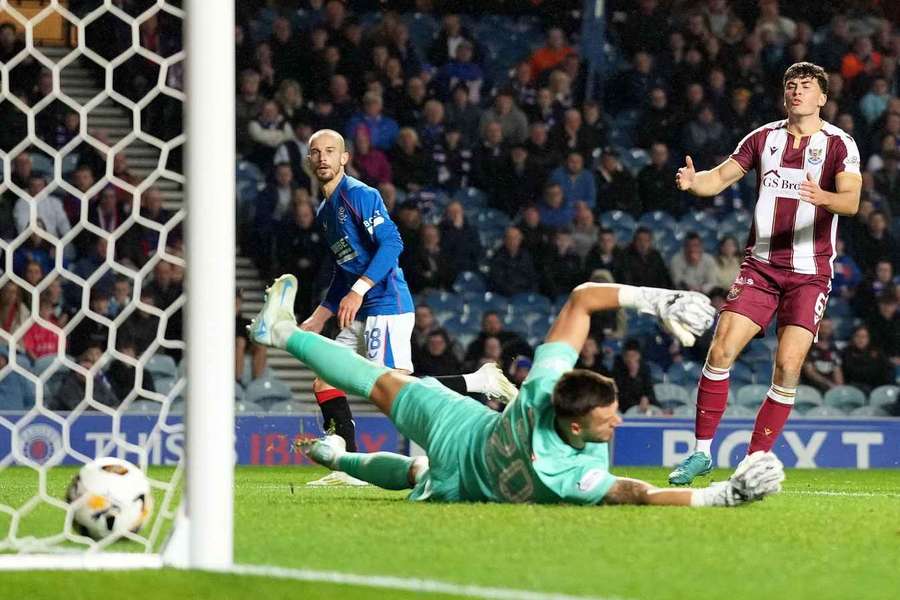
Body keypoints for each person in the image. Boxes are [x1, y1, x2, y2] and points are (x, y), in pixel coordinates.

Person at [248, 273, 783, 507]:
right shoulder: (572, 476)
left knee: (383, 386)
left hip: (464, 436)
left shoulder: (543, 389)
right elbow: (641, 494)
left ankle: (286, 336)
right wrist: (721, 497)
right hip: (468, 477)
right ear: (575, 426)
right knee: (412, 457)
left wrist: (655, 300)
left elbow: (579, 302)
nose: (617, 421)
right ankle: (337, 458)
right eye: (608, 417)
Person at [669, 62, 862, 485]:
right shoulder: (763, 138)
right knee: (720, 351)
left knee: (788, 367)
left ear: (822, 98)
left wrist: (823, 195)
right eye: (791, 85)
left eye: (806, 87)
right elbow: (718, 179)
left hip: (810, 274)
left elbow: (850, 203)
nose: (796, 92)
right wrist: (693, 182)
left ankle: (753, 460)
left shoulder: (839, 145)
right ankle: (701, 453)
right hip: (761, 267)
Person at [302, 130, 509, 485]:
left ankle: (479, 380)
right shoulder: (325, 211)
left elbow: (392, 243)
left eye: (330, 151)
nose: (323, 157)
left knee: (398, 391)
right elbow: (344, 266)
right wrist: (321, 315)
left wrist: (359, 290)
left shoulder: (360, 195)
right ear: (309, 160)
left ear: (345, 158)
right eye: (316, 152)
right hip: (360, 309)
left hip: (386, 304)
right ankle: (347, 466)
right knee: (325, 379)